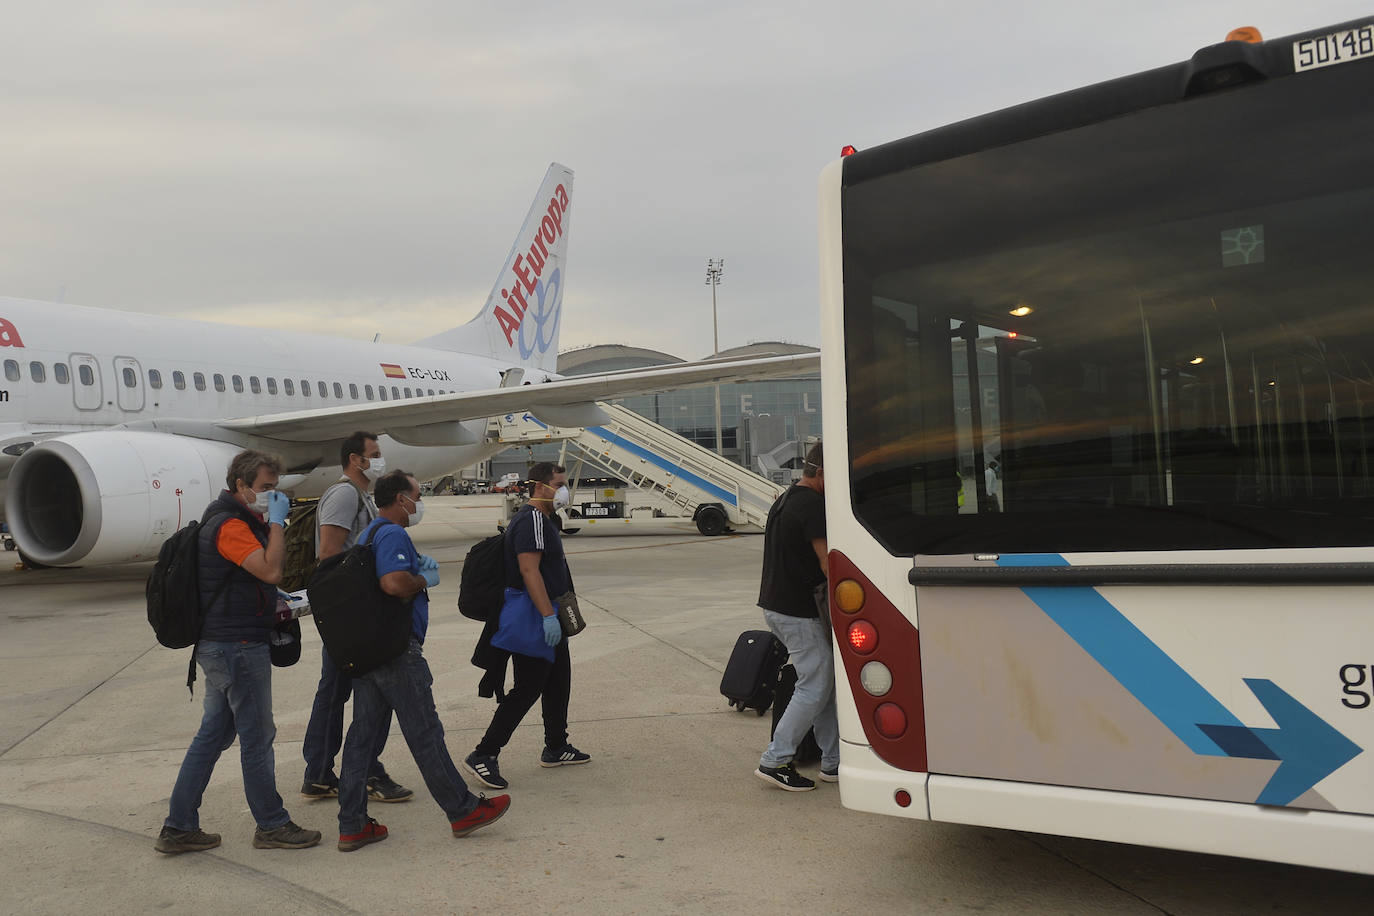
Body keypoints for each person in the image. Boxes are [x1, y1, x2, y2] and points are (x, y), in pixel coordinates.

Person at [155, 450, 323, 853]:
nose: (272, 495)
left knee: (215, 733)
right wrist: (279, 523)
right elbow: (270, 569)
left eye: (276, 489)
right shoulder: (231, 525)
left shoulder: (236, 520)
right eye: (266, 488)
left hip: (225, 643)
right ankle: (271, 823)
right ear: (241, 486)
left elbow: (253, 578)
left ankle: (179, 826)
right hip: (236, 647)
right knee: (256, 735)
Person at [336, 471, 511, 851]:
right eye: (417, 495)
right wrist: (421, 579)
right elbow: (394, 583)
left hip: (369, 651)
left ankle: (351, 824)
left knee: (361, 741)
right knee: (425, 733)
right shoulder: (394, 534)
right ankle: (463, 810)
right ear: (401, 499)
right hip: (397, 652)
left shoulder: (367, 534)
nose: (419, 503)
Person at [300, 431, 413, 804]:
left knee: (336, 691)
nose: (378, 461)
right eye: (374, 455)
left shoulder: (360, 494)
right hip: (348, 612)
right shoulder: (344, 493)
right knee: (356, 693)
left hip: (350, 610)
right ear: (355, 459)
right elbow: (330, 553)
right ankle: (359, 771)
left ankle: (321, 772)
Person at [464, 462, 589, 791]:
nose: (564, 490)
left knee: (558, 680)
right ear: (541, 486)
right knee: (528, 687)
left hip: (551, 615)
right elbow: (529, 570)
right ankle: (484, 753)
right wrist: (548, 616)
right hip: (535, 617)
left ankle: (556, 745)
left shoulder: (547, 518)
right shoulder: (532, 519)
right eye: (559, 484)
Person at [754, 442, 840, 792]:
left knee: (825, 685)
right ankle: (775, 760)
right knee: (815, 685)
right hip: (797, 611)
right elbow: (826, 562)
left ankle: (833, 762)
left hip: (778, 605)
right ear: (821, 473)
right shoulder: (812, 505)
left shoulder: (787, 497)